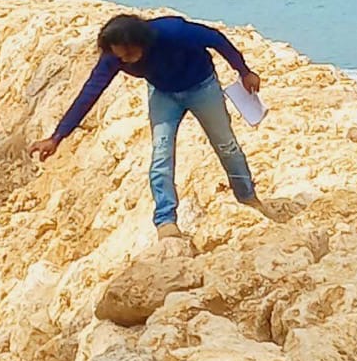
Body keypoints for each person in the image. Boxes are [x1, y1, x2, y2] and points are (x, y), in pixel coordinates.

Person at [29, 13, 275, 239]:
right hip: (163, 94)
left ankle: (247, 197)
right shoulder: (114, 56)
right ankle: (166, 221)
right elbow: (91, 91)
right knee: (161, 154)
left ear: (142, 43)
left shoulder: (174, 32)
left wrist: (244, 71)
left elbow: (216, 39)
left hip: (202, 87)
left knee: (226, 145)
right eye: (120, 57)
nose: (125, 61)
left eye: (129, 55)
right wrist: (57, 137)